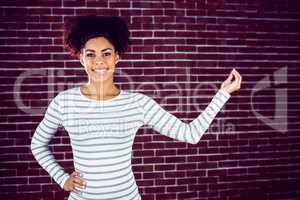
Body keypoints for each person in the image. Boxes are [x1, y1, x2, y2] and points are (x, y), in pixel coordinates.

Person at [30, 15, 242, 200]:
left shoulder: (138, 103)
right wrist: (62, 179)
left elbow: (191, 134)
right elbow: (38, 144)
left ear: (116, 58)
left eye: (106, 53)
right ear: (81, 59)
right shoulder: (64, 102)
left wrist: (223, 94)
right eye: (90, 54)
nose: (99, 61)